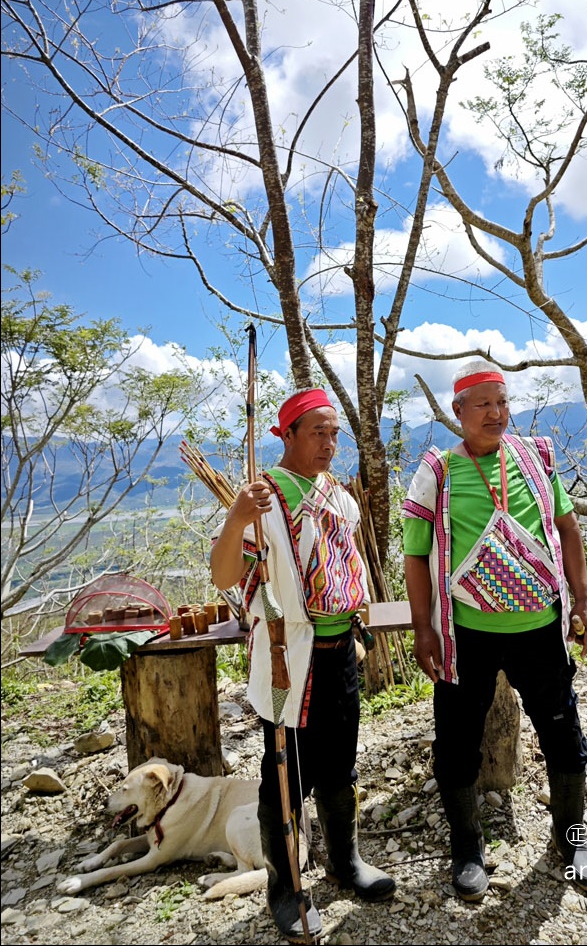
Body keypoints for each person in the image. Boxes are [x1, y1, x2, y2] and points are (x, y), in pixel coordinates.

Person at [403, 361, 587, 902]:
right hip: (466, 634)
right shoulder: (438, 472)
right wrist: (424, 629)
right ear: (458, 412)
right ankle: (467, 849)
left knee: (564, 737)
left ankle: (573, 838)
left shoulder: (536, 458)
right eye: (483, 404)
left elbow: (566, 527)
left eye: (502, 401)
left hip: (540, 630)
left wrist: (582, 599)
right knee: (456, 744)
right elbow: (416, 557)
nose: (496, 413)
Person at [210, 389, 395, 943]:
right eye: (317, 432)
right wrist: (236, 516)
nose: (329, 444)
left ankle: (344, 861)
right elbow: (223, 576)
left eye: (335, 433)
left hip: (341, 653)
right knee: (285, 780)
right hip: (291, 658)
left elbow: (351, 567)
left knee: (341, 766)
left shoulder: (339, 498)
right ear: (286, 435)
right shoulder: (262, 498)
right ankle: (285, 889)